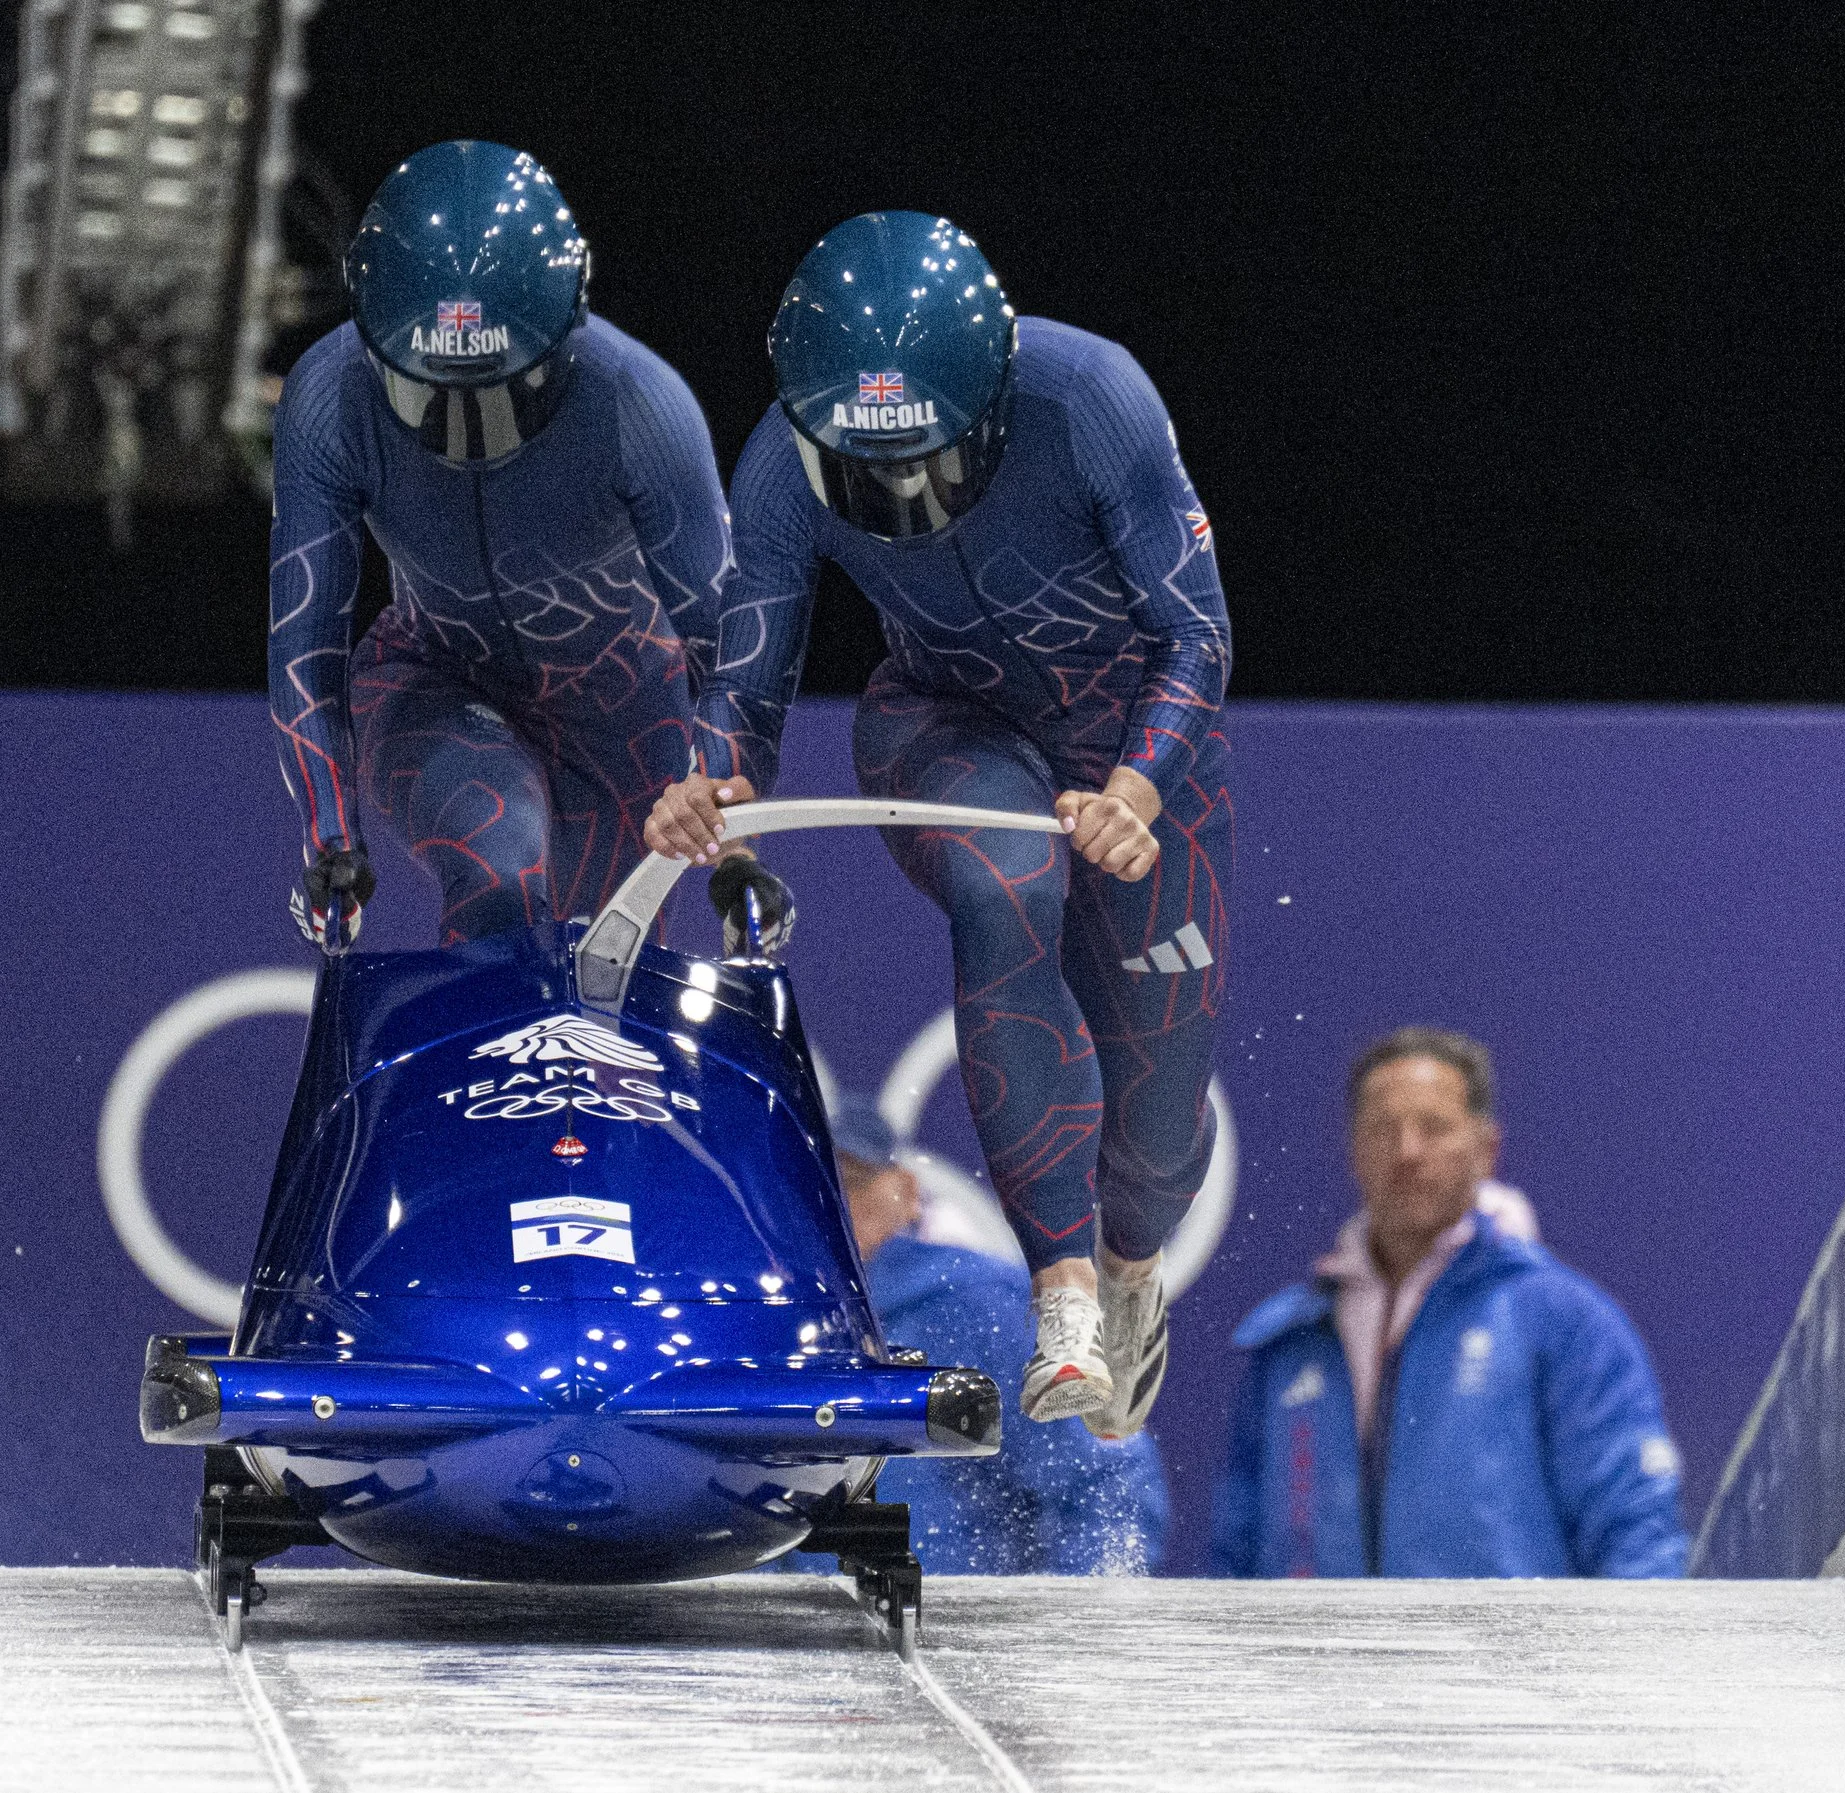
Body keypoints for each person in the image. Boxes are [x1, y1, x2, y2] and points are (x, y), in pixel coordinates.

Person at [646, 212, 1232, 1437]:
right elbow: (744, 687)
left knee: (1162, 1137)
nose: (906, 500)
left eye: (933, 464)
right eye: (872, 475)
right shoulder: (780, 463)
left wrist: (1135, 788)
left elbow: (1195, 632)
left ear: (995, 403)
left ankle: (1126, 1264)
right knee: (1004, 884)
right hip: (945, 722)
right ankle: (1062, 1293)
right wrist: (708, 780)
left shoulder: (1092, 398)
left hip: (1128, 743)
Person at [265, 140, 789, 953]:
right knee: (498, 856)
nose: (467, 435)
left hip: (628, 720)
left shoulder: (640, 404)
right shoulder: (326, 397)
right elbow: (306, 644)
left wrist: (732, 830)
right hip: (435, 681)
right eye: (426, 394)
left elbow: (729, 642)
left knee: (604, 983)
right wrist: (331, 840)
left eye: (508, 396)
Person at [1210, 1028, 1690, 1578]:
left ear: (1487, 1148)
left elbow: (1636, 1531)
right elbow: (1233, 1558)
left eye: (1433, 1128)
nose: (1407, 1151)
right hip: (1315, 1663)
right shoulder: (1289, 1344)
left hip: (1509, 1665)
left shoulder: (1563, 1322)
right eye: (1383, 1129)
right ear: (1353, 1149)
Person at [818, 1101, 1169, 1574]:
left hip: (946, 1639)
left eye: (853, 1182)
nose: (831, 1203)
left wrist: (1078, 1631)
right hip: (769, 1637)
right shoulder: (751, 1319)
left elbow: (1109, 1481)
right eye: (811, 1185)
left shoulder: (971, 1303)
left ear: (906, 1191)